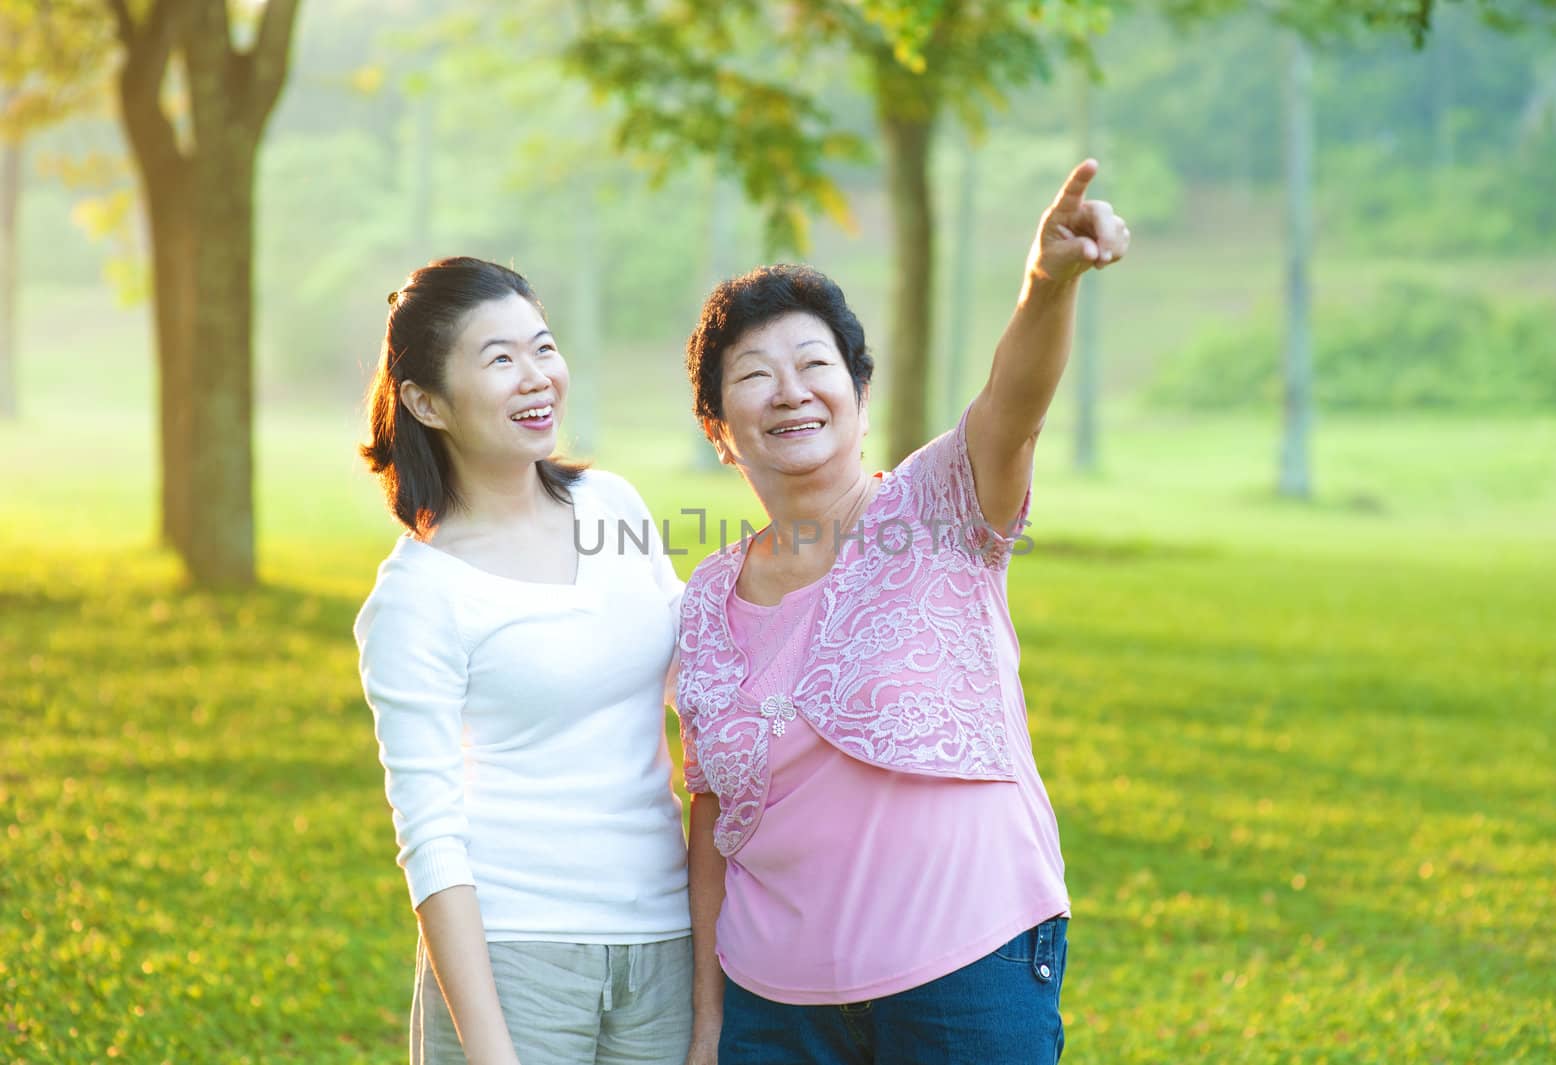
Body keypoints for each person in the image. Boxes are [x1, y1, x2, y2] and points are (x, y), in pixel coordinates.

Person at [673, 159, 1129, 1064]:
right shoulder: (703, 601)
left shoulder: (938, 507)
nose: (791, 390)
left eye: (815, 364)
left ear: (859, 394)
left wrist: (1047, 283)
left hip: (966, 977)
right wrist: (708, 1017)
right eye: (754, 376)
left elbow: (1014, 407)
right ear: (720, 430)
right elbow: (712, 819)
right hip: (774, 1010)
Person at [353, 257, 693, 1065]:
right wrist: (492, 1051)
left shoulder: (614, 506)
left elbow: (706, 682)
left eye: (542, 347)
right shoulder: (418, 594)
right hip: (516, 956)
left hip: (664, 943)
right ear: (426, 400)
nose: (535, 376)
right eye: (499, 358)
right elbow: (431, 841)